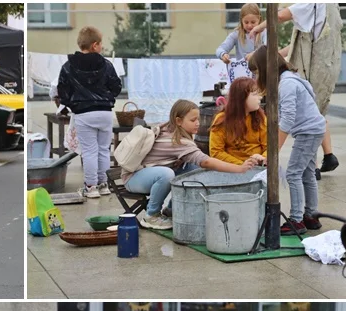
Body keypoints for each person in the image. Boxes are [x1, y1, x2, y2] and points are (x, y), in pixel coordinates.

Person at [124, 99, 257, 230]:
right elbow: (206, 162)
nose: (198, 123)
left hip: (146, 175)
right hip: (134, 178)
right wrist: (239, 169)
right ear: (179, 121)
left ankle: (172, 209)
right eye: (193, 120)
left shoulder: (169, 128)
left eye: (198, 119)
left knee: (193, 170)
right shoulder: (177, 141)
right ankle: (151, 216)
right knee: (167, 174)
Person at [249, 3, 341, 178]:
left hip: (317, 66)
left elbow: (281, 16)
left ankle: (313, 165)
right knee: (317, 110)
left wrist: (258, 28)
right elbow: (294, 47)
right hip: (324, 63)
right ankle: (324, 158)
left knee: (294, 174)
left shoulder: (312, 3)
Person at [248, 46, 326, 235]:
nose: (256, 77)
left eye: (257, 72)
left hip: (308, 132)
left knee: (293, 174)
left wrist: (273, 151)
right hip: (313, 130)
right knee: (307, 173)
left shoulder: (287, 84)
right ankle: (310, 216)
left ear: (267, 68)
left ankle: (297, 220)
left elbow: (288, 119)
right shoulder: (290, 79)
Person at [57, 26, 121, 199]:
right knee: (103, 150)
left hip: (83, 113)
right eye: (101, 44)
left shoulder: (68, 66)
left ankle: (90, 186)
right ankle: (104, 184)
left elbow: (62, 90)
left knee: (89, 151)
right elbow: (116, 86)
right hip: (105, 112)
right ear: (94, 45)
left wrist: (72, 104)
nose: (102, 47)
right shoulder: (106, 65)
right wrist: (106, 97)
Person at [209, 77, 268, 166]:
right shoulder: (222, 119)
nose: (260, 97)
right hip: (232, 168)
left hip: (259, 167)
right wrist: (242, 165)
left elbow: (269, 146)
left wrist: (263, 157)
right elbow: (216, 152)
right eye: (255, 94)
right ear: (242, 97)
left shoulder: (260, 118)